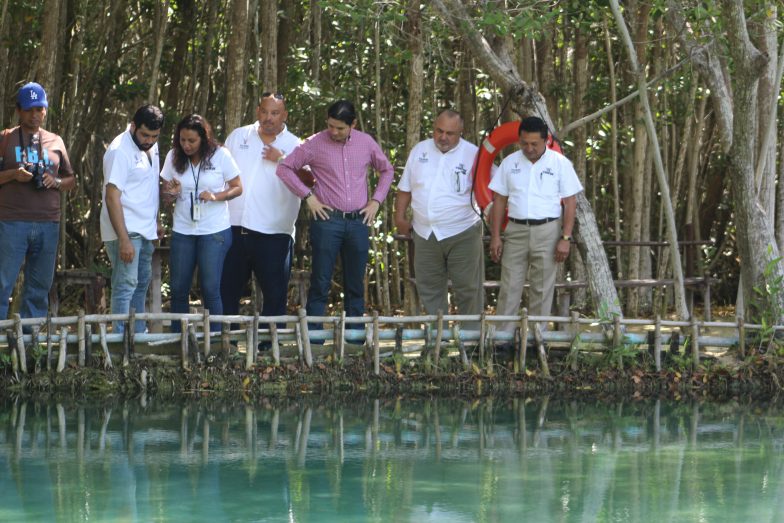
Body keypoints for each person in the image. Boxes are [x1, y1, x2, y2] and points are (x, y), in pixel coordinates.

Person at [276, 100, 394, 328]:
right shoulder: (314, 143)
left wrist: (376, 201)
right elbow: (284, 168)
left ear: (353, 124)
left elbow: (387, 170)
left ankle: (354, 335)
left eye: (340, 128)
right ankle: (314, 337)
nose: (334, 131)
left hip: (359, 220)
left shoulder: (366, 142)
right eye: (330, 125)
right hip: (327, 220)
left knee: (355, 282)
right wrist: (308, 197)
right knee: (320, 280)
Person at [489, 116, 583, 333]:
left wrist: (565, 238)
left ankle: (536, 337)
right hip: (515, 229)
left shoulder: (560, 164)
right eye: (524, 143)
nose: (529, 148)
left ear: (546, 141)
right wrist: (496, 236)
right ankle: (502, 337)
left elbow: (570, 202)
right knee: (510, 285)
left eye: (534, 144)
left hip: (548, 231)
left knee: (542, 288)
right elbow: (499, 200)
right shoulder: (509, 162)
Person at [395, 109, 484, 325]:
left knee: (468, 287)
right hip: (425, 232)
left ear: (461, 132)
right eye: (439, 131)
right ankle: (438, 341)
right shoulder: (420, 150)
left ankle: (471, 340)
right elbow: (405, 188)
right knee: (430, 287)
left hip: (462, 231)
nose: (443, 137)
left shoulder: (474, 154)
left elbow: (491, 189)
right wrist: (399, 218)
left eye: (450, 133)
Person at [221, 92, 301, 320]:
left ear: (284, 115)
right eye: (264, 111)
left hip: (274, 232)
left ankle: (269, 348)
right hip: (234, 227)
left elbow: (308, 183)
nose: (269, 118)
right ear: (257, 111)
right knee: (227, 290)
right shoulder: (238, 136)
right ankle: (229, 346)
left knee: (274, 295)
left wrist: (283, 159)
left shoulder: (295, 145)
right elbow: (220, 172)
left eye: (275, 113)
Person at [0, 82, 75, 321]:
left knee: (39, 287)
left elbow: (71, 178)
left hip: (47, 223)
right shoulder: (5, 138)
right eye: (30, 109)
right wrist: (13, 174)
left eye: (40, 109)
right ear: (19, 110)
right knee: (3, 283)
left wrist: (56, 182)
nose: (35, 115)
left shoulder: (56, 140)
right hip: (12, 221)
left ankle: (31, 344)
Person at [160, 114, 242, 332]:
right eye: (182, 140)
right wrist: (172, 193)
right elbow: (165, 196)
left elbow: (237, 187)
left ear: (204, 139)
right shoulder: (173, 156)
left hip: (214, 231)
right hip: (183, 230)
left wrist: (217, 196)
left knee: (210, 288)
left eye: (192, 141)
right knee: (178, 288)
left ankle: (214, 341)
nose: (186, 145)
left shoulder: (221, 155)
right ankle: (177, 340)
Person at [100, 104, 165, 333]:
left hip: (146, 228)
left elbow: (149, 185)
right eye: (144, 134)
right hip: (125, 229)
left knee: (141, 283)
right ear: (133, 125)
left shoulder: (153, 147)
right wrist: (124, 239)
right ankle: (119, 339)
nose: (148, 140)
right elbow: (111, 197)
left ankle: (137, 333)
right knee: (125, 284)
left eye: (154, 136)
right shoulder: (120, 150)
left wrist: (156, 220)